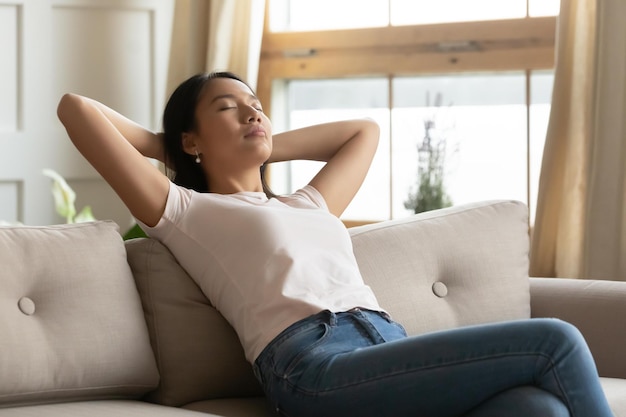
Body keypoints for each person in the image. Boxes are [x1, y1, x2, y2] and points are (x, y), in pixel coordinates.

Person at [57, 71, 613, 417]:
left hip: (384, 345)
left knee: (535, 408)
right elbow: (76, 109)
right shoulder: (184, 209)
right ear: (192, 138)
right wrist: (173, 150)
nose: (252, 111)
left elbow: (362, 131)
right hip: (312, 366)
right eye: (228, 106)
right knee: (555, 341)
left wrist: (258, 140)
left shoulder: (309, 204)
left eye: (256, 104)